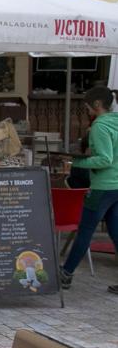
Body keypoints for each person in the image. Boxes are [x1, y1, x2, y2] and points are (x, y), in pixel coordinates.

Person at [61, 87, 118, 292]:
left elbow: (105, 159)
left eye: (86, 106)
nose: (86, 110)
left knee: (85, 230)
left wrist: (75, 163)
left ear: (96, 105)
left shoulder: (99, 126)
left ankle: (66, 273)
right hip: (117, 186)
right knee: (116, 233)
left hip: (102, 186)